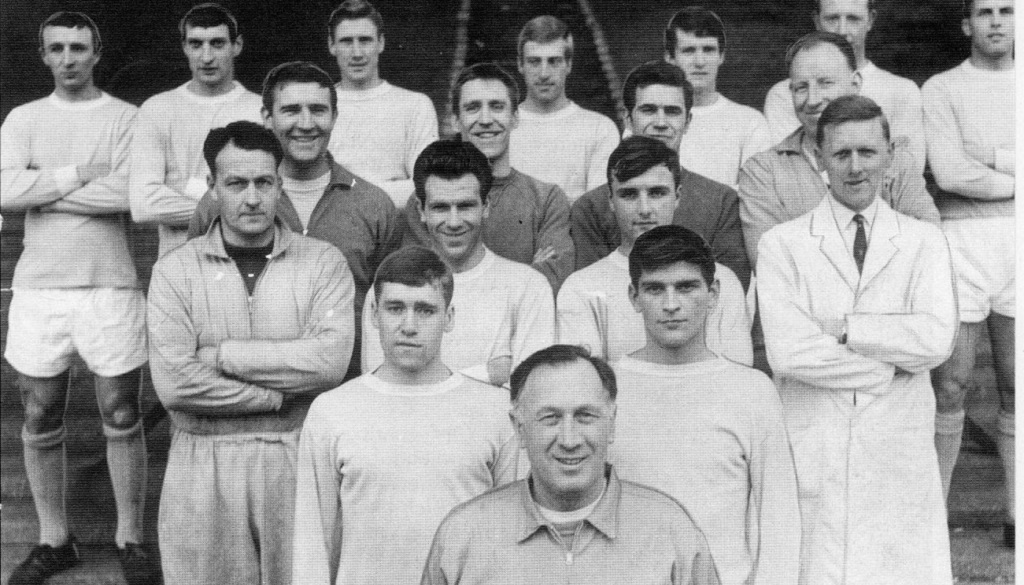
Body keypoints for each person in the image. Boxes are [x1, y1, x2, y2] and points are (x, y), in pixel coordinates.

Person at [757, 95, 957, 583]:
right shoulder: (781, 244)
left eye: (867, 152)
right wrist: (888, 367)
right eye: (841, 154)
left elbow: (934, 341)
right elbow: (788, 352)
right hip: (815, 439)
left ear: (890, 155)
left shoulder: (924, 240)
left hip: (896, 443)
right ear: (819, 159)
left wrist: (848, 328)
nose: (854, 166)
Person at [148, 121, 354, 584]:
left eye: (264, 182)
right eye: (237, 183)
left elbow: (329, 364)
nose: (253, 197)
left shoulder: (322, 262)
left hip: (295, 456)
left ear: (281, 184)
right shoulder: (175, 271)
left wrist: (221, 355)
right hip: (203, 460)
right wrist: (277, 396)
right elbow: (176, 384)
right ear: (212, 187)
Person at [0, 12, 156, 585]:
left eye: (79, 48)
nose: (69, 59)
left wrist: (43, 187)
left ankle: (131, 538)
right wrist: (81, 174)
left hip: (109, 285)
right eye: (57, 49)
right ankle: (53, 539)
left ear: (96, 52)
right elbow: (4, 189)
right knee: (40, 412)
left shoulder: (125, 117)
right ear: (43, 55)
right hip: (40, 288)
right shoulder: (23, 118)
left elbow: (131, 192)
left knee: (120, 411)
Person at [294, 246, 517, 584]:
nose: (408, 326)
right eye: (395, 308)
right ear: (373, 314)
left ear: (450, 317)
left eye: (425, 310)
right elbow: (311, 546)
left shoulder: (495, 411)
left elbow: (510, 538)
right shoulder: (333, 410)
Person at [422, 344, 721, 585]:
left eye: (585, 416)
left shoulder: (670, 530)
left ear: (611, 423)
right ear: (519, 428)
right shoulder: (463, 535)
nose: (569, 439)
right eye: (550, 418)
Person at [603, 225, 798, 584]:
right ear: (633, 297)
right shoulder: (604, 388)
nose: (671, 304)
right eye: (655, 289)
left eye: (687, 287)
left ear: (713, 294)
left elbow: (778, 516)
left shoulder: (752, 390)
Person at [190, 61, 401, 381]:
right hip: (245, 391)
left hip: (346, 387)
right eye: (291, 110)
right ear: (266, 118)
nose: (306, 123)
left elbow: (391, 304)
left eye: (318, 110)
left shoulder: (373, 205)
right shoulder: (219, 205)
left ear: (334, 117)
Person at [923, 0, 1015, 546]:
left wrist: (996, 156)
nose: (997, 21)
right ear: (967, 24)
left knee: (1016, 382)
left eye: (1008, 10)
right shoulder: (941, 88)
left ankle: (1016, 515)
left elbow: (975, 165)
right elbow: (951, 171)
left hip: (1018, 240)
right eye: (985, 12)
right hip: (961, 238)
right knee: (952, 380)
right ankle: (931, 514)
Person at [738, 32, 938, 269]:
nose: (812, 100)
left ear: (855, 84)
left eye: (825, 83)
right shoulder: (762, 171)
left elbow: (929, 243)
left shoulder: (894, 158)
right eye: (801, 87)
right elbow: (770, 261)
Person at [363, 140, 555, 386]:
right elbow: (381, 388)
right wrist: (490, 373)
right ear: (421, 210)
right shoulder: (390, 288)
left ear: (485, 207)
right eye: (440, 208)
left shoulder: (529, 287)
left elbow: (532, 389)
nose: (454, 222)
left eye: (465, 206)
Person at [558, 137, 751, 366]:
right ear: (610, 200)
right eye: (629, 194)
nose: (644, 209)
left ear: (677, 196)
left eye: (657, 193)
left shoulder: (721, 280)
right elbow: (585, 385)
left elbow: (738, 377)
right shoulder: (581, 287)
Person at [570, 61, 750, 290]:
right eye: (649, 110)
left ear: (687, 122)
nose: (661, 123)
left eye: (672, 112)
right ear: (627, 119)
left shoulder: (721, 201)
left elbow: (727, 290)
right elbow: (592, 289)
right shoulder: (591, 208)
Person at [400, 62, 574, 290]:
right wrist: (527, 274)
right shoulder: (429, 197)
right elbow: (423, 282)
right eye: (473, 107)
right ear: (455, 120)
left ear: (515, 117)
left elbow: (551, 280)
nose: (485, 119)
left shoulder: (547, 199)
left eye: (497, 106)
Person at [130, 3, 262, 257]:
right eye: (196, 44)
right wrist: (235, 206)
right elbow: (144, 205)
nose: (206, 57)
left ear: (237, 45)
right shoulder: (157, 109)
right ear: (184, 47)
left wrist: (182, 187)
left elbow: (275, 200)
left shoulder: (259, 110)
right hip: (177, 264)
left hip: (245, 263)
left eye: (217, 43)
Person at [761, 0, 926, 172]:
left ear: (870, 19)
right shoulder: (784, 95)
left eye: (853, 19)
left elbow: (907, 172)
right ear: (817, 20)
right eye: (832, 18)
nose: (842, 31)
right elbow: (786, 172)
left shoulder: (902, 91)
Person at [325, 0, 439, 205]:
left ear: (381, 43)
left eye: (365, 40)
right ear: (332, 45)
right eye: (346, 41)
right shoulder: (317, 107)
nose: (357, 53)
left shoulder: (415, 106)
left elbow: (425, 183)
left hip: (396, 226)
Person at [508, 15, 620, 203]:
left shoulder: (599, 129)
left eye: (554, 61)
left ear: (568, 64)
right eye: (534, 61)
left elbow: (595, 212)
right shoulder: (501, 127)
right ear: (520, 64)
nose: (544, 73)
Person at [662, 7, 772, 188]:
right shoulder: (649, 118)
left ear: (721, 56)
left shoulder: (750, 122)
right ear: (670, 58)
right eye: (689, 51)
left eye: (708, 50)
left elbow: (755, 193)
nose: (699, 62)